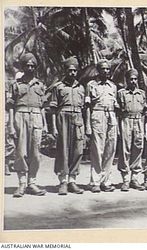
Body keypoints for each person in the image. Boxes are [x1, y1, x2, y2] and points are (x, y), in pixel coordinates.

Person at [7, 52, 47, 197]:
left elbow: (42, 107)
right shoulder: (16, 85)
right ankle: (22, 183)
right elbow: (10, 106)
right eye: (27, 66)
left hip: (36, 118)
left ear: (35, 67)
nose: (30, 68)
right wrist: (11, 125)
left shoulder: (41, 85)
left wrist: (46, 125)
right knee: (21, 152)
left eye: (32, 66)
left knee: (35, 153)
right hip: (20, 116)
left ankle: (32, 183)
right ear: (23, 67)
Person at [50, 56, 85, 195]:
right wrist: (53, 128)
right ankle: (63, 181)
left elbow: (84, 108)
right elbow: (52, 110)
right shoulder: (58, 87)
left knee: (78, 149)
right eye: (70, 70)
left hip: (77, 118)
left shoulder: (81, 88)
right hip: (62, 117)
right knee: (63, 150)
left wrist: (85, 125)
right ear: (65, 71)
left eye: (75, 71)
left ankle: (72, 180)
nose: (72, 73)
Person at [85, 59, 118, 193]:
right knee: (98, 150)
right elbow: (87, 107)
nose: (106, 71)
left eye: (108, 69)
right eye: (103, 69)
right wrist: (88, 125)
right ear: (98, 70)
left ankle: (106, 181)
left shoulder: (113, 86)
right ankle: (95, 181)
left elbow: (115, 105)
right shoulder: (91, 85)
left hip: (111, 116)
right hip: (97, 116)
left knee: (110, 149)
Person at [117, 68, 147, 191]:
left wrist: (144, 129)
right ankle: (125, 179)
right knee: (125, 149)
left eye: (135, 79)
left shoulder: (142, 94)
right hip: (126, 120)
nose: (133, 81)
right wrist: (119, 128)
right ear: (127, 80)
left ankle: (134, 178)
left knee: (138, 148)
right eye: (131, 79)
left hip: (139, 121)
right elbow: (118, 112)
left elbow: (145, 112)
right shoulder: (121, 93)